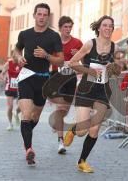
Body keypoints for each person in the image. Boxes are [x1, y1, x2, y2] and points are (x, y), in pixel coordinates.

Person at [63, 15, 121, 173]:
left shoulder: (114, 47)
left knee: (94, 129)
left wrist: (113, 67)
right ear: (99, 27)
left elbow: (116, 71)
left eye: (111, 25)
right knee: (82, 131)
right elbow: (73, 63)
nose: (108, 28)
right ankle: (74, 131)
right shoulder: (90, 44)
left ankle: (82, 161)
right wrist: (90, 71)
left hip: (102, 90)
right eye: (105, 25)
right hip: (86, 89)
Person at [14, 3, 64, 166]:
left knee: (35, 117)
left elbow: (61, 60)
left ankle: (26, 135)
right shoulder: (25, 34)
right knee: (26, 115)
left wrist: (47, 55)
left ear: (48, 17)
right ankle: (29, 149)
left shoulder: (53, 36)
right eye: (39, 14)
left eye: (45, 15)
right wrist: (18, 58)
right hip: (26, 77)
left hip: (43, 80)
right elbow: (16, 50)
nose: (42, 17)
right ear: (34, 15)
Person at [43, 16, 83, 154]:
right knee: (60, 109)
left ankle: (57, 121)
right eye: (65, 27)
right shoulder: (53, 42)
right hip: (56, 76)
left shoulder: (77, 42)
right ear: (60, 28)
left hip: (70, 78)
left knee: (64, 111)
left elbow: (84, 59)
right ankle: (60, 141)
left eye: (70, 26)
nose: (68, 29)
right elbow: (46, 58)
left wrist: (78, 55)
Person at [0, 50, 21, 130]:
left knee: (21, 107)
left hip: (20, 88)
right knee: (10, 107)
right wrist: (2, 77)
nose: (16, 56)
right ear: (12, 55)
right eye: (15, 55)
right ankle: (10, 123)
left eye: (18, 54)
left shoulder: (22, 63)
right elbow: (2, 73)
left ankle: (16, 113)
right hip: (10, 87)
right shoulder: (8, 63)